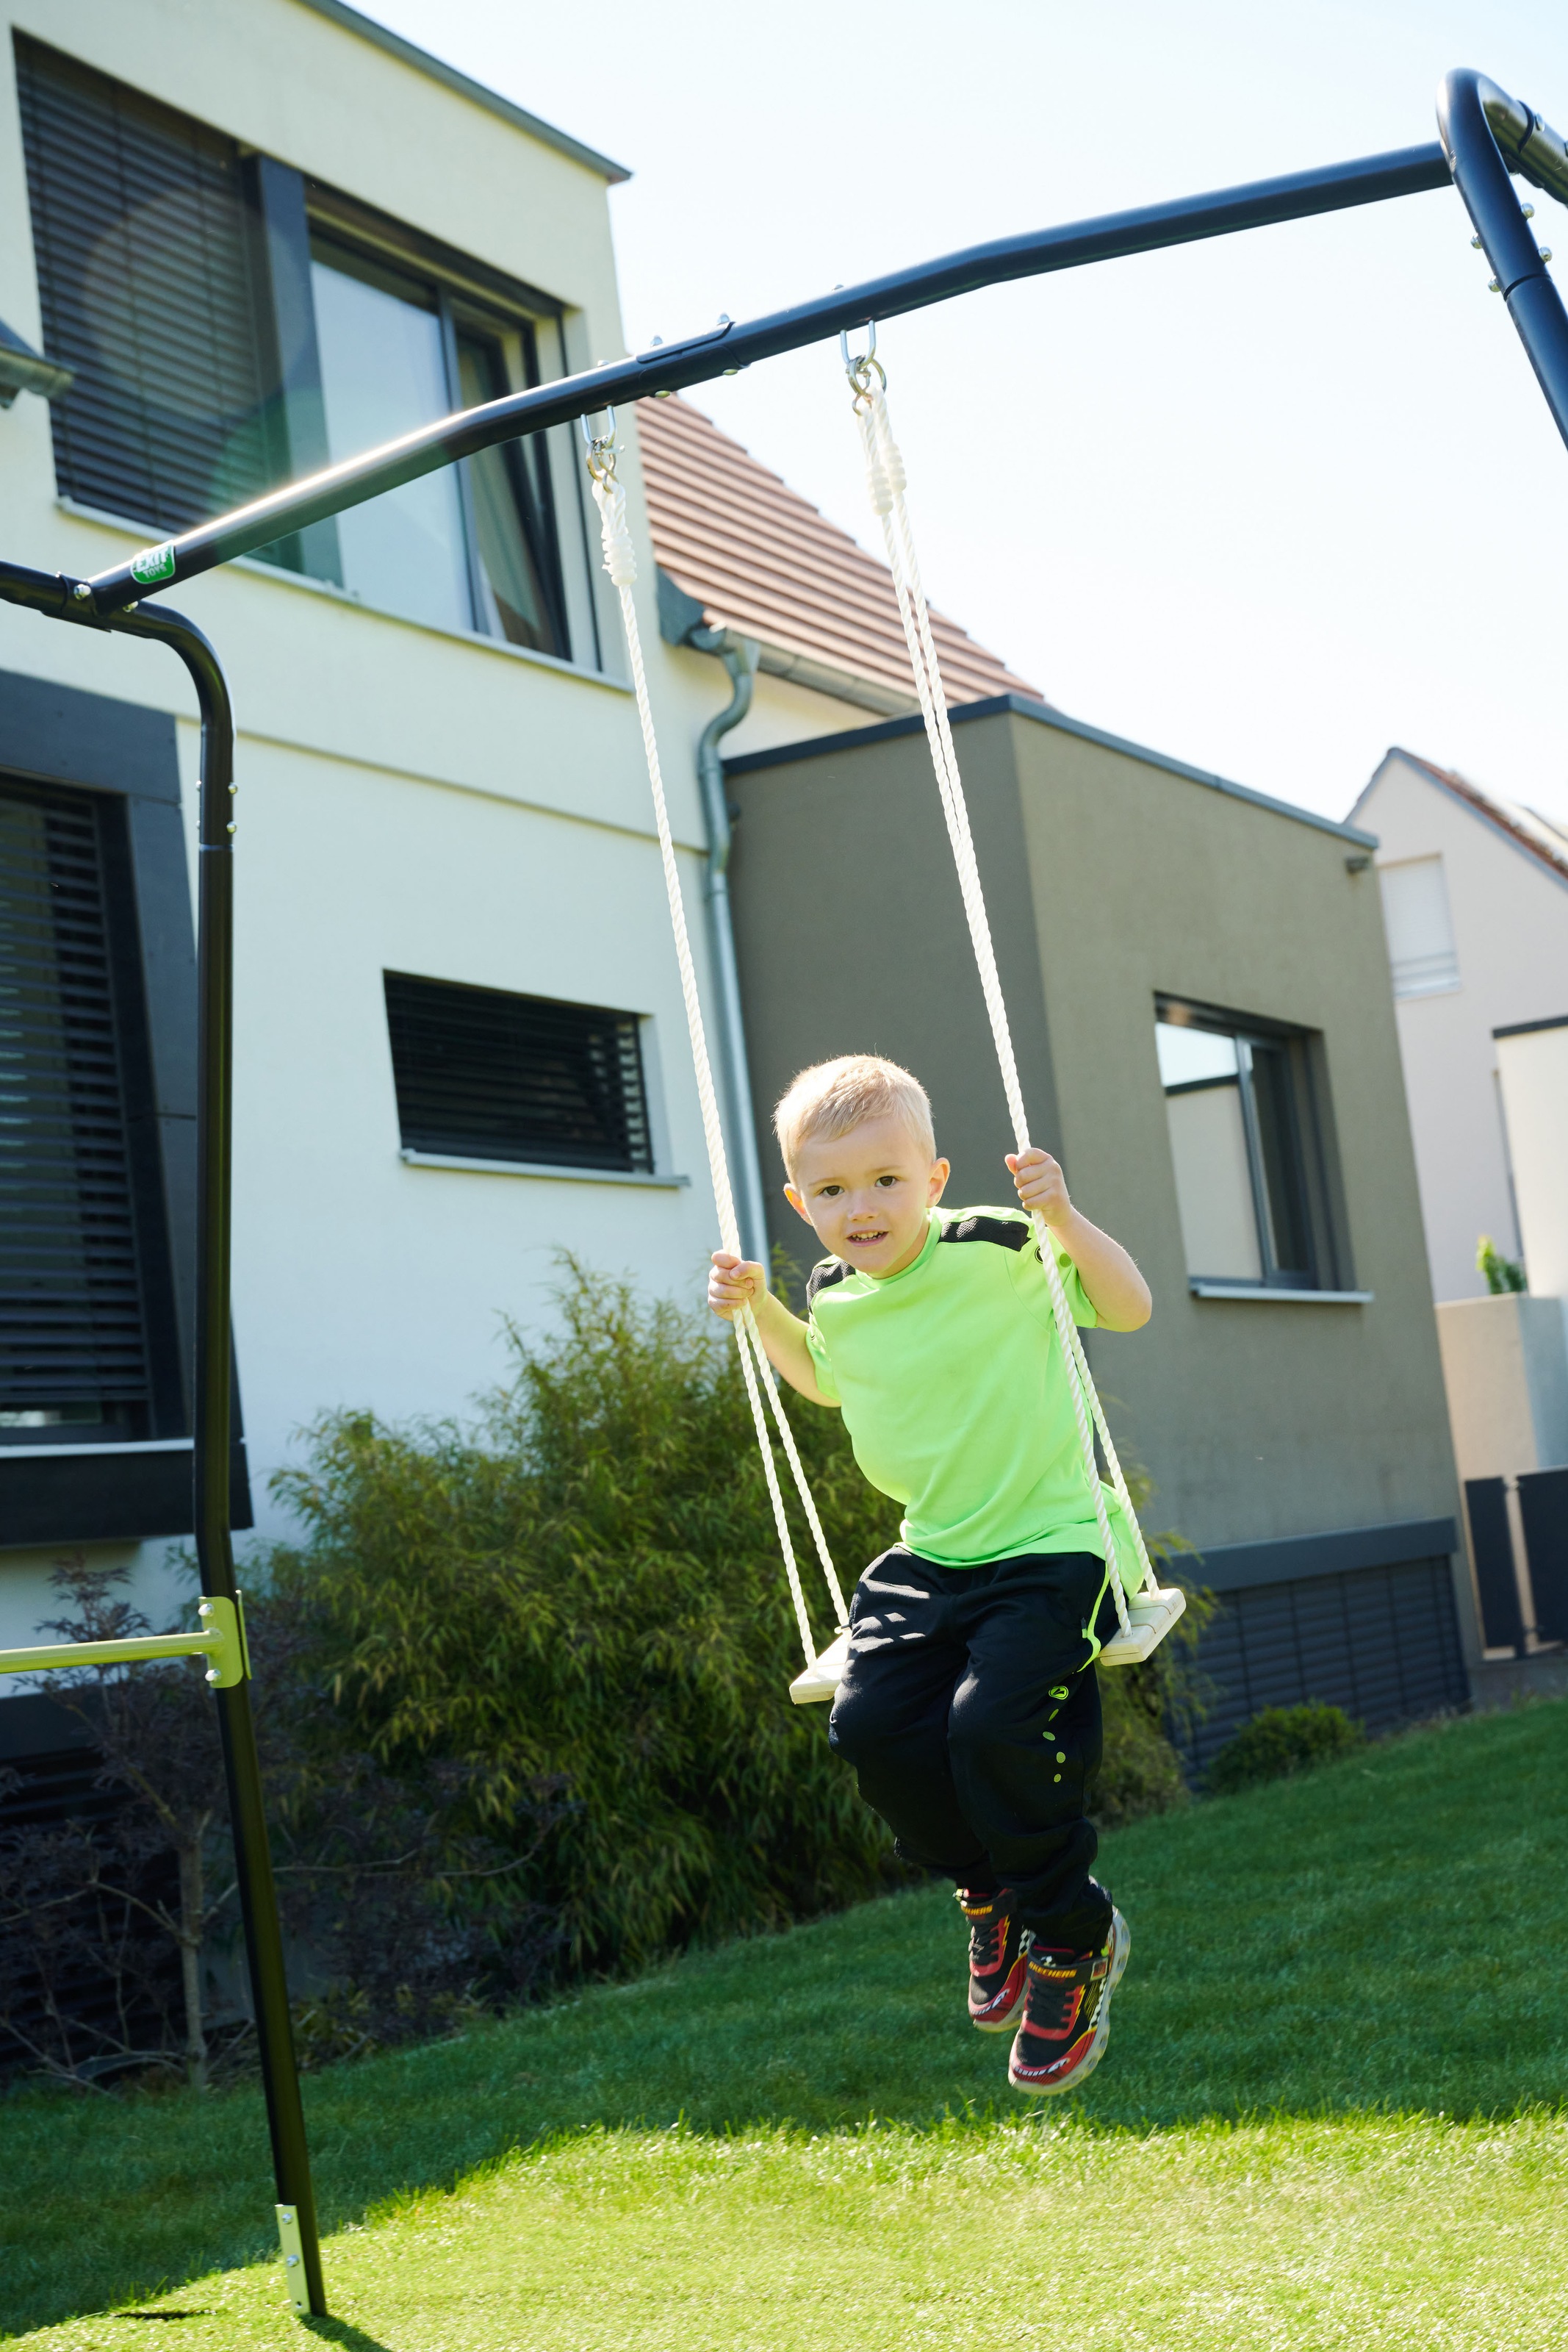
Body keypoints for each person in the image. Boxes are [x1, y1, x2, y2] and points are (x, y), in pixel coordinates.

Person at [708, 1053, 1153, 2095]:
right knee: (868, 1730)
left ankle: (1070, 1935)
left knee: (989, 1728)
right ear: (798, 1200)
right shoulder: (834, 1291)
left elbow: (1125, 1309)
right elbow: (823, 1379)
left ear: (936, 1178)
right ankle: (987, 1896)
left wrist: (1067, 1218)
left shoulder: (1002, 1245)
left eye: (884, 1181)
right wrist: (760, 1312)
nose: (859, 1208)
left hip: (1053, 1543)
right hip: (933, 1551)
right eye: (830, 1190)